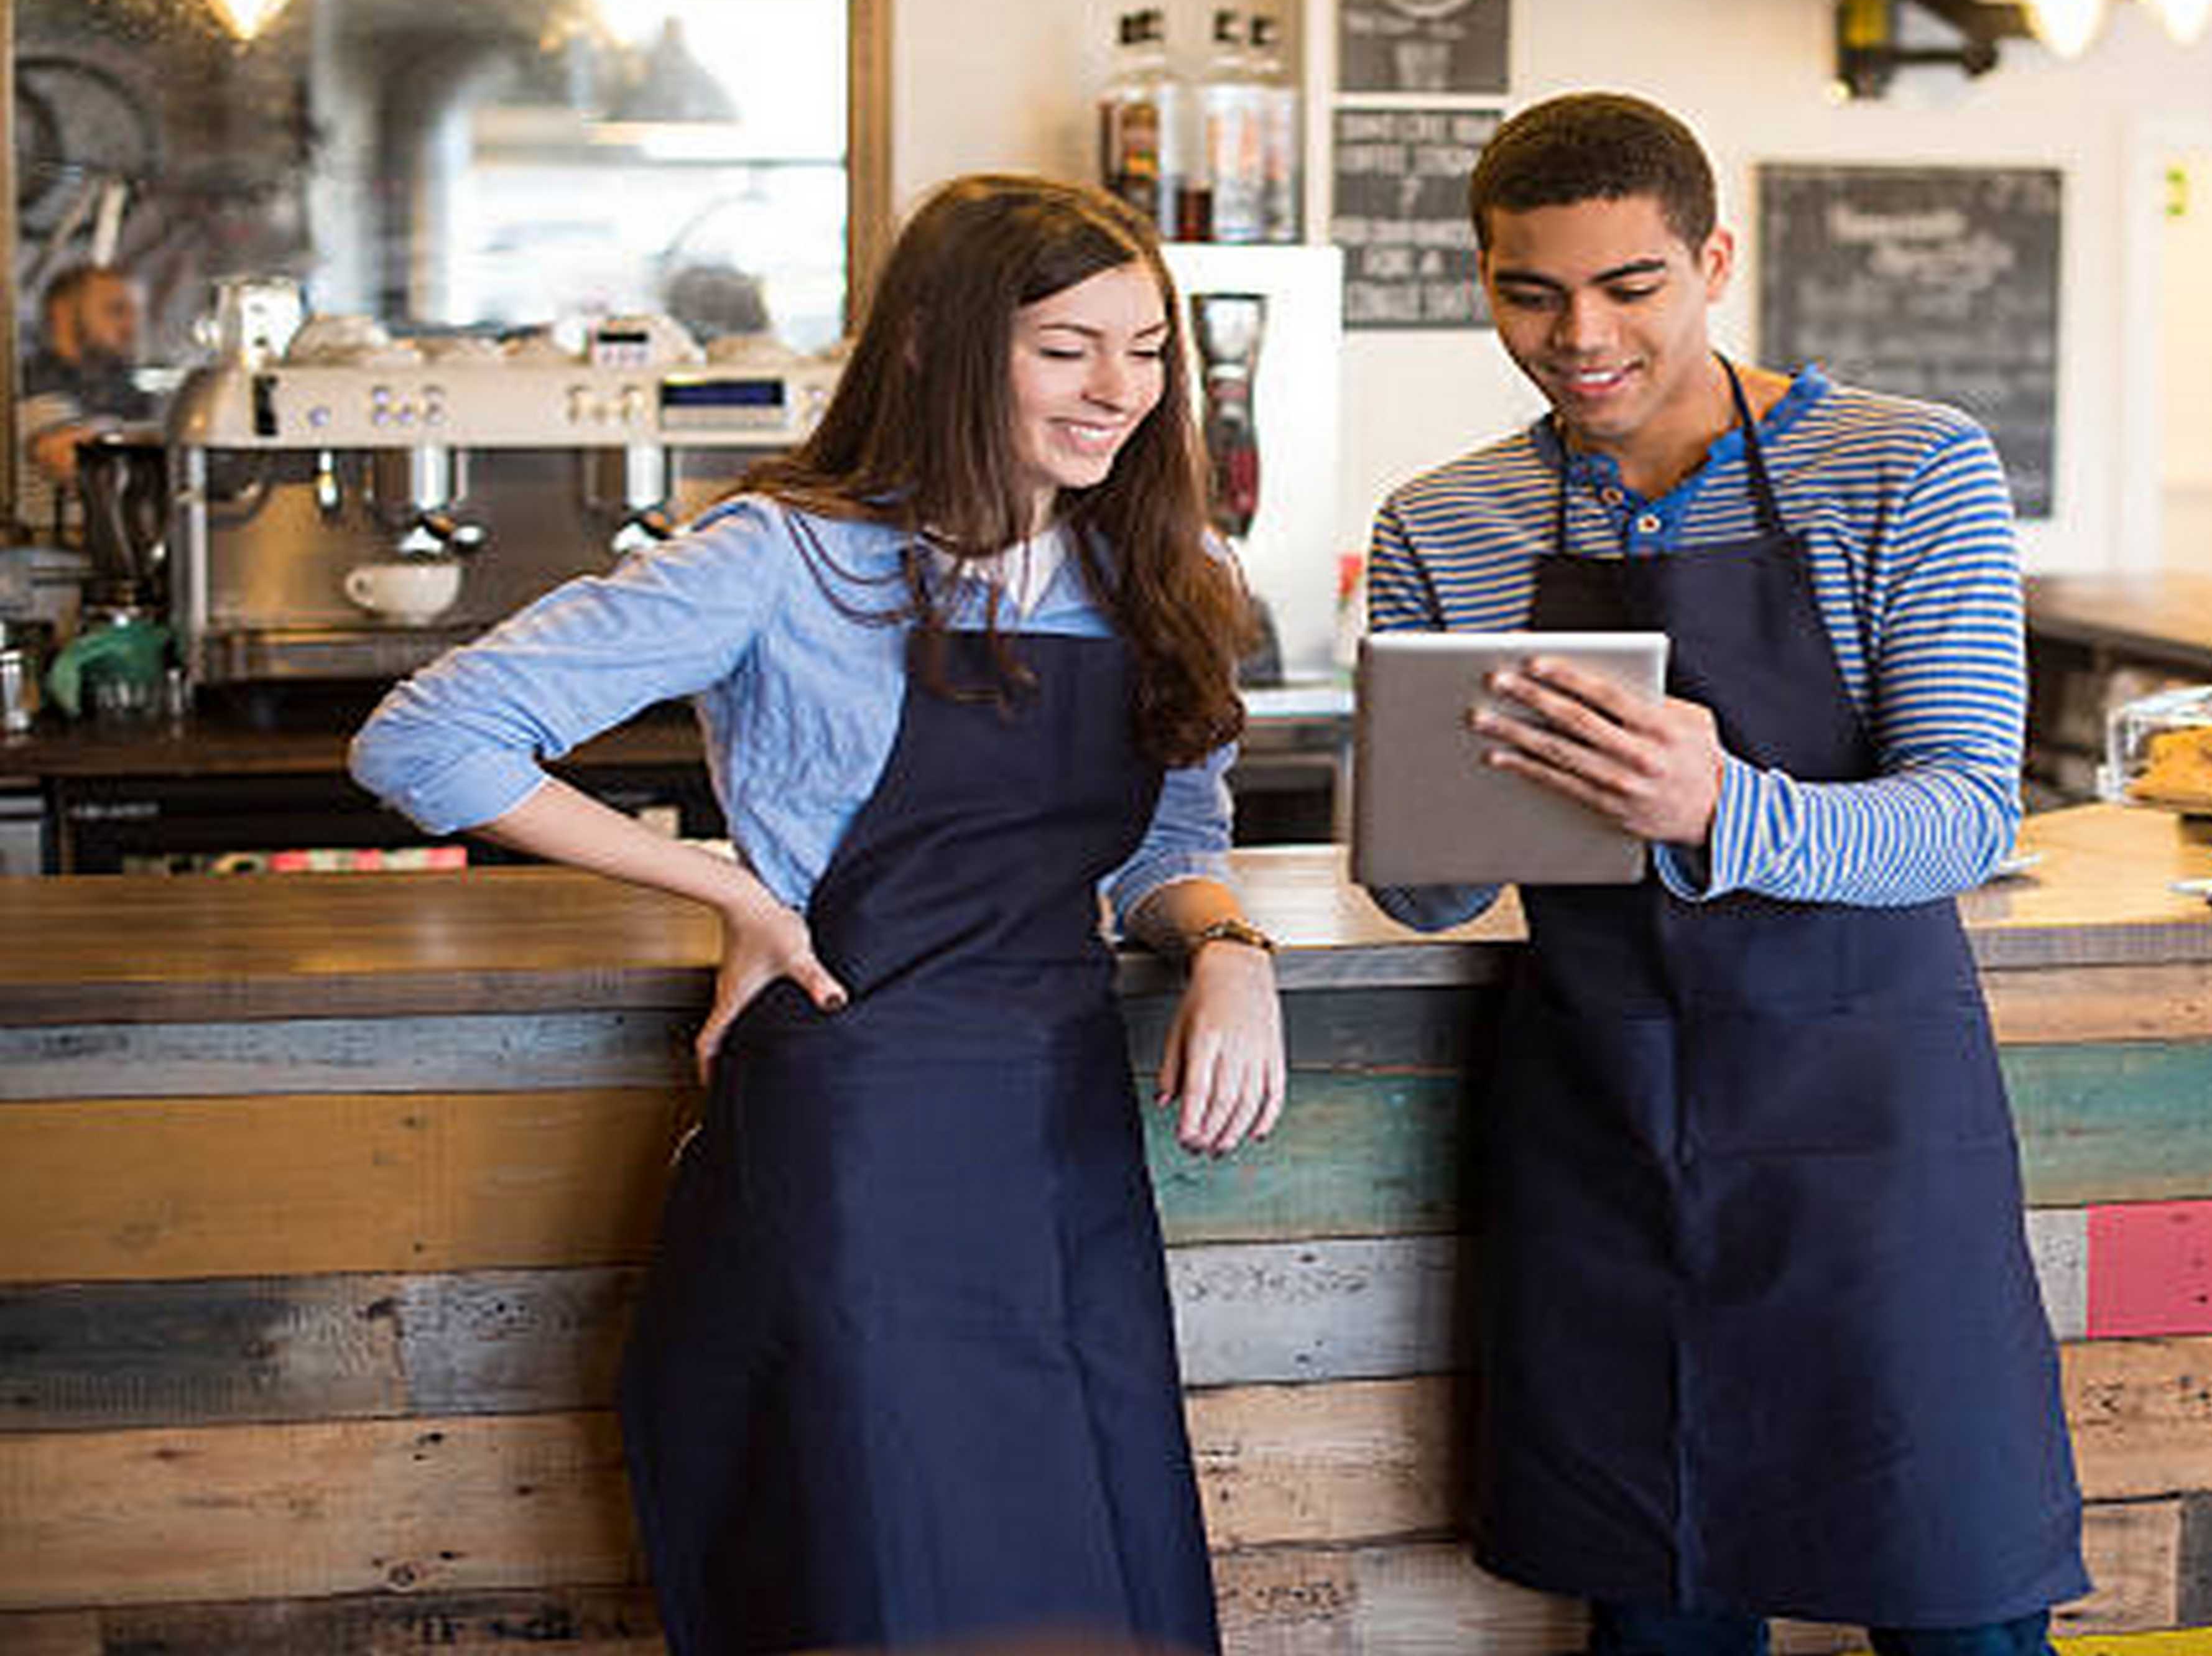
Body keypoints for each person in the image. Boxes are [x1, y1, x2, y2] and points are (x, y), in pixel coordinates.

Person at [350, 175, 1284, 1655]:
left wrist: (1226, 945)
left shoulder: (1167, 570)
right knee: (879, 1572)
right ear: (935, 346)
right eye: (1066, 347)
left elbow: (1171, 826)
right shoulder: (786, 556)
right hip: (853, 1133)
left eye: (1146, 346)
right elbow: (425, 740)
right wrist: (732, 886)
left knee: (1098, 1579)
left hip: (1059, 1138)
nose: (1121, 389)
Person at [1363, 93, 2085, 1654]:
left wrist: (1719, 804)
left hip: (1871, 1138)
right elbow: (1424, 895)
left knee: (1960, 1601)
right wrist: (1416, 809)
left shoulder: (1909, 468)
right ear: (1483, 282)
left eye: (1630, 287)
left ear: (1714, 260)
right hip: (1609, 1132)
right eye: (1529, 293)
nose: (1579, 338)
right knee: (1659, 1611)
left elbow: (1964, 816)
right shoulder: (1447, 523)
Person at [16, 261, 152, 535]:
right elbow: (67, 460)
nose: (131, 327)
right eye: (116, 311)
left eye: (136, 315)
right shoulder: (33, 385)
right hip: (46, 556)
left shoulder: (127, 392)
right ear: (63, 313)